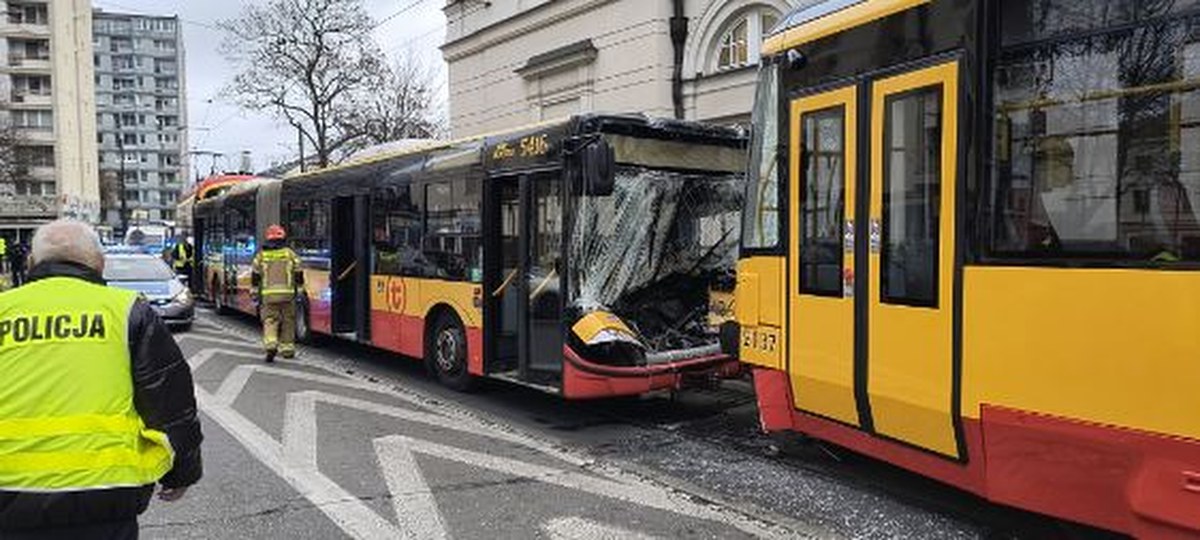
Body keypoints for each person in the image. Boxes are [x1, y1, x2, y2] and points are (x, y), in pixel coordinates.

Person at [0, 220, 203, 539]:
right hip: (106, 489)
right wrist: (182, 473)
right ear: (99, 262)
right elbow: (169, 401)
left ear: (30, 262)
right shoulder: (126, 311)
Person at [251, 224, 304, 363]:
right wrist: (300, 289)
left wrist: (255, 292)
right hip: (288, 294)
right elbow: (298, 271)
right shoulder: (289, 253)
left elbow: (255, 275)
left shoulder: (261, 255)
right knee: (288, 321)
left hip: (269, 296)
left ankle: (271, 344)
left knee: (270, 320)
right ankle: (287, 350)